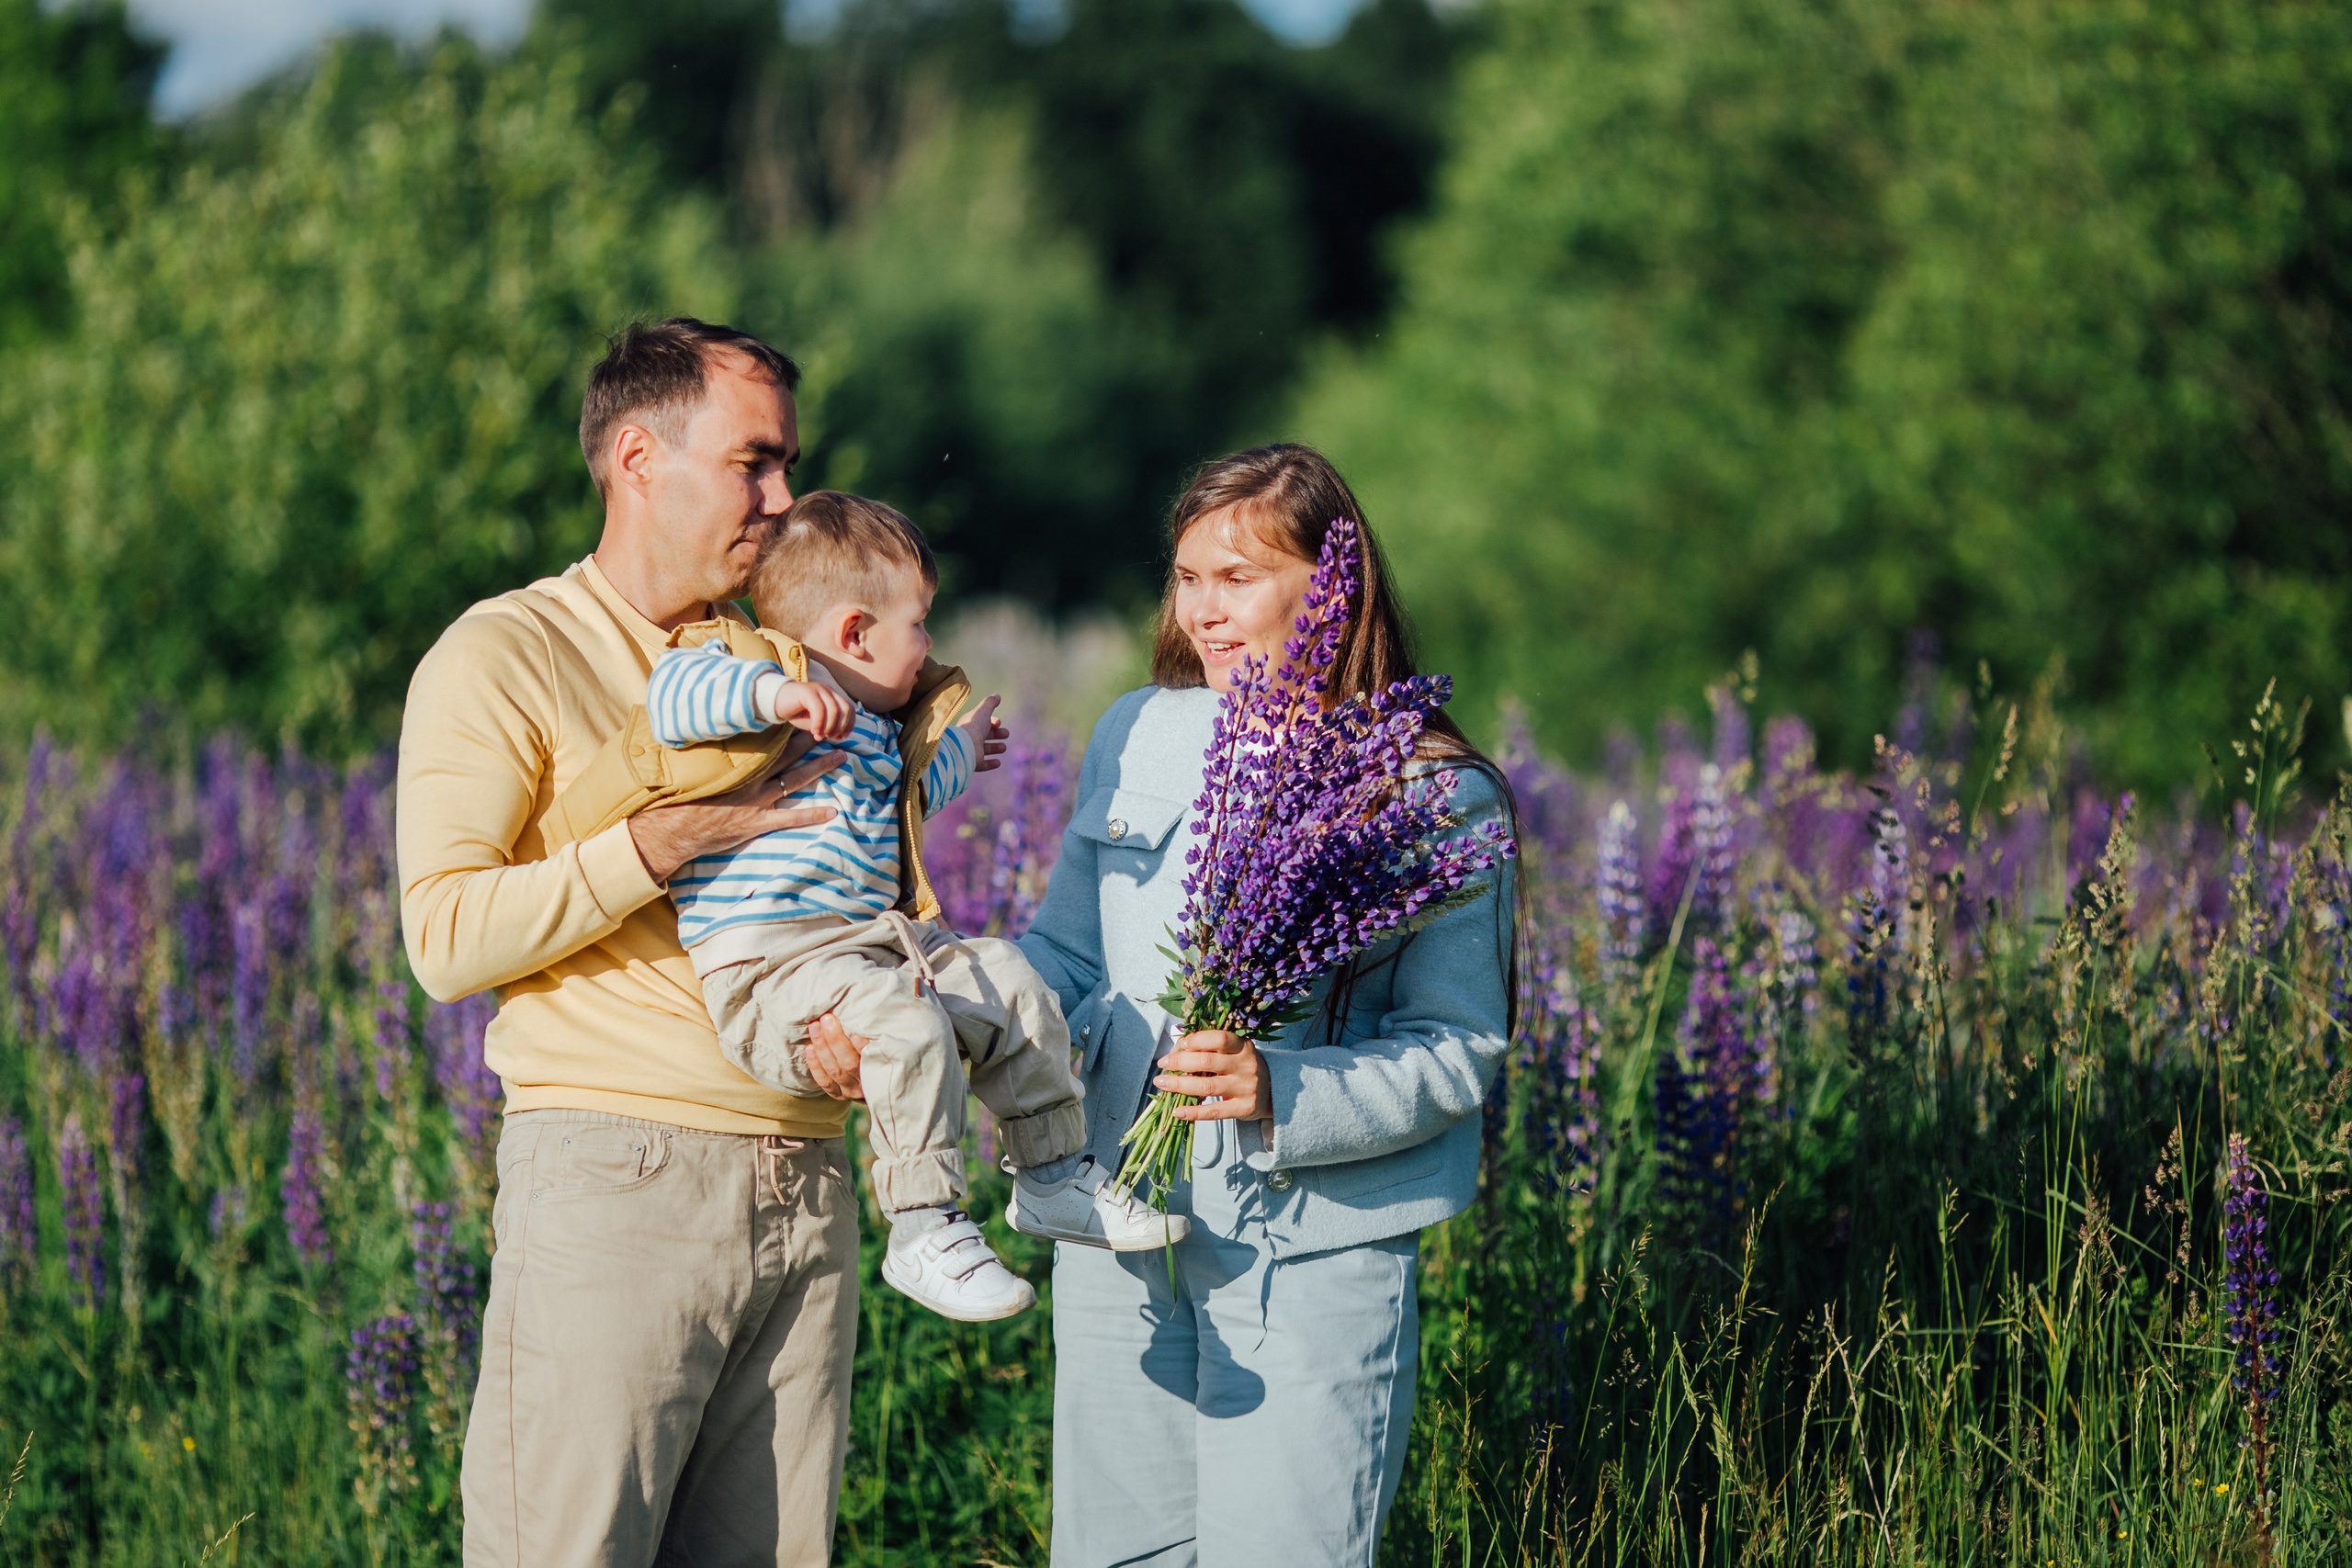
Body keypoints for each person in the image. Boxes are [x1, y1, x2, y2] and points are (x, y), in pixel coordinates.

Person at [399, 318, 855, 1566]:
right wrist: (652, 845)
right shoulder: (507, 653)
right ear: (639, 459)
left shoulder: (796, 661)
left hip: (808, 1185)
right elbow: (442, 936)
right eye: (754, 462)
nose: (784, 498)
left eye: (788, 464)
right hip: (621, 1186)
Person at [1020, 444, 1517, 1566]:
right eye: (1187, 578)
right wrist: (972, 1005)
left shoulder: (1431, 788)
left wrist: (1279, 1089)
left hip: (1308, 1246)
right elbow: (1065, 951)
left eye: (1236, 578)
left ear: (1331, 586)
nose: (1202, 611)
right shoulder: (1138, 730)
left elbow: (1455, 1047)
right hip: (1120, 1217)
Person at [616, 491, 1182, 1322]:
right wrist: (774, 697)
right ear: (854, 632)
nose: (928, 645)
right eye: (918, 623)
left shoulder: (877, 732)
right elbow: (676, 695)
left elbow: (903, 799)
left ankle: (1053, 1172)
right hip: (770, 970)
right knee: (907, 1023)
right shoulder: (736, 666)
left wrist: (962, 754)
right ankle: (923, 1225)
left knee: (1008, 979)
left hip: (874, 949)